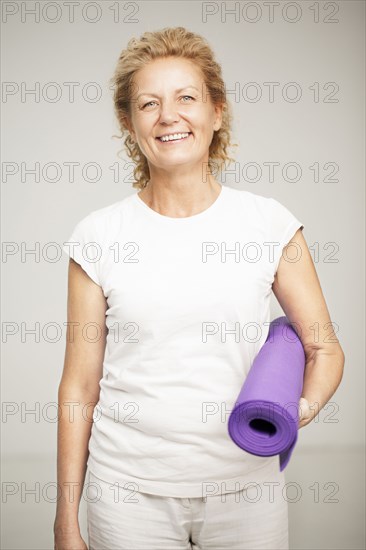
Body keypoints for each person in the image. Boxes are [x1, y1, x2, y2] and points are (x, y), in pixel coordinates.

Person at [54, 26, 345, 550]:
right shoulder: (98, 236)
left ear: (216, 111)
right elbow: (79, 390)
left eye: (186, 97)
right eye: (148, 103)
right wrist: (65, 520)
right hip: (127, 496)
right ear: (129, 122)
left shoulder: (269, 223)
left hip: (247, 491)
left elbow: (324, 346)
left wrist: (294, 411)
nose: (169, 116)